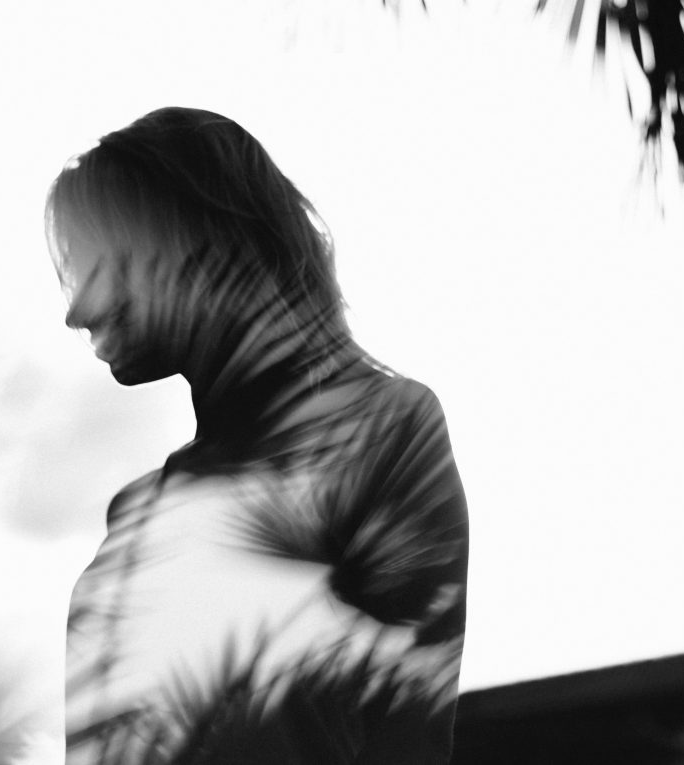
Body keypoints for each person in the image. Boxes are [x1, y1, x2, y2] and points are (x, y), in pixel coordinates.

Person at [46, 106, 468, 764]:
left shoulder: (383, 428)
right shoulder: (134, 515)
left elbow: (410, 733)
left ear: (188, 244)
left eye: (101, 262)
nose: (76, 310)